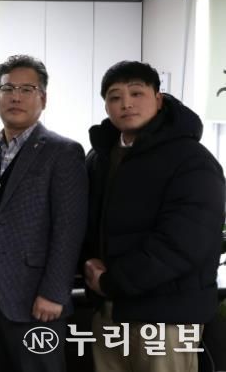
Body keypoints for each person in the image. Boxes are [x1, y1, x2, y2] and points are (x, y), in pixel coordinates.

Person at [82, 60, 225, 372]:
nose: (126, 104)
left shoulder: (192, 160)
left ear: (159, 99)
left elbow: (183, 243)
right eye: (115, 97)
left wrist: (110, 281)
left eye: (137, 93)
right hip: (110, 309)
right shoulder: (100, 157)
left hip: (167, 317)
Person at [0, 54, 88, 372]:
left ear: (43, 99)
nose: (16, 97)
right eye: (7, 89)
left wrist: (54, 293)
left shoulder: (63, 152)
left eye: (27, 89)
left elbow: (69, 229)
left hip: (37, 301)